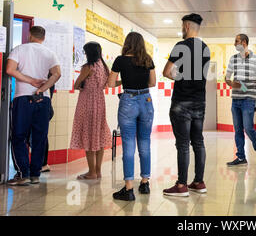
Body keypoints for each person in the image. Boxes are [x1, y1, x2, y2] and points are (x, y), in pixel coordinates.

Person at [162, 13, 210, 197]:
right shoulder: (205, 48)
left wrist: (179, 76)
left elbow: (167, 72)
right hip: (200, 102)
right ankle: (199, 182)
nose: (182, 29)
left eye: (182, 26)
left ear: (187, 26)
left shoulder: (180, 46)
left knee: (183, 144)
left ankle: (181, 185)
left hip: (182, 101)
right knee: (198, 141)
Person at [6, 26, 61, 186]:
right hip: (43, 99)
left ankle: (23, 174)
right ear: (43, 37)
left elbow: (10, 69)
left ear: (30, 35)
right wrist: (42, 89)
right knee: (39, 138)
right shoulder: (50, 53)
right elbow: (57, 73)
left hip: (23, 98)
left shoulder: (19, 49)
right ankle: (35, 175)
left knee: (19, 137)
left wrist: (29, 81)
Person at [108, 32, 156, 201]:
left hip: (128, 100)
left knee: (128, 144)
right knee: (145, 142)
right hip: (146, 100)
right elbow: (152, 83)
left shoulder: (120, 60)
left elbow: (111, 83)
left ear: (127, 43)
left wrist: (125, 81)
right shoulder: (147, 59)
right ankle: (144, 183)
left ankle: (129, 188)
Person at [70, 42, 111, 180]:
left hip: (87, 103)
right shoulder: (104, 67)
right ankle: (98, 171)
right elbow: (109, 84)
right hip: (100, 102)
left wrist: (81, 84)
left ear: (89, 53)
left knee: (88, 135)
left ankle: (91, 172)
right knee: (98, 136)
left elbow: (76, 85)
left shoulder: (88, 67)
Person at [225, 34, 256, 166]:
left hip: (249, 98)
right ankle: (241, 157)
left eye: (236, 41)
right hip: (235, 99)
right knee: (238, 129)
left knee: (248, 128)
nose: (234, 43)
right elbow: (227, 78)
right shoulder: (233, 59)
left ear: (243, 43)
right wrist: (231, 84)